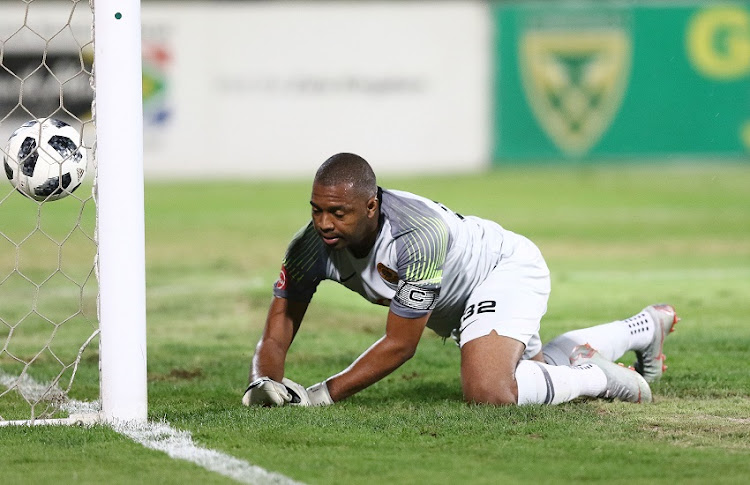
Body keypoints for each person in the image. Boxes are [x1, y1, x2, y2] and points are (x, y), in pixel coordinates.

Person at [242, 153, 678, 407]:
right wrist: (264, 380)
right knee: (536, 372)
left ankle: (599, 378)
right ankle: (642, 328)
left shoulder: (416, 236)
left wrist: (320, 395)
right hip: (459, 301)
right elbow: (279, 326)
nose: (324, 222)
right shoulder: (308, 246)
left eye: (339, 212)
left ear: (371, 206)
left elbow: (400, 344)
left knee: (489, 390)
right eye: (316, 209)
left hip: (502, 269)